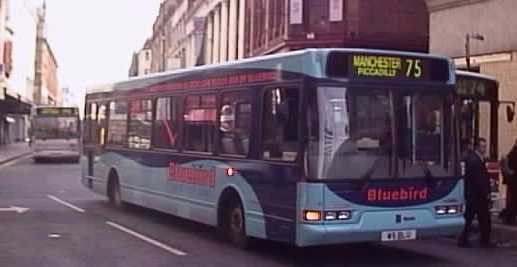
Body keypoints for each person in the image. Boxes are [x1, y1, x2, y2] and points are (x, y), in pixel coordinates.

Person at [458, 138, 496, 248]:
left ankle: (465, 239)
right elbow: (479, 180)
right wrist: (486, 193)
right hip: (477, 195)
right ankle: (484, 241)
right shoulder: (475, 160)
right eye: (482, 146)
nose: (484, 149)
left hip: (474, 195)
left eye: (485, 146)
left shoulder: (477, 159)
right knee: (484, 219)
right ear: (477, 147)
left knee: (471, 218)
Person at [502, 139, 517, 224]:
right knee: (513, 200)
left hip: (512, 180)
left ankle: (509, 217)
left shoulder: (512, 152)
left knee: (513, 200)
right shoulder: (514, 153)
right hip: (514, 180)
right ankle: (510, 217)